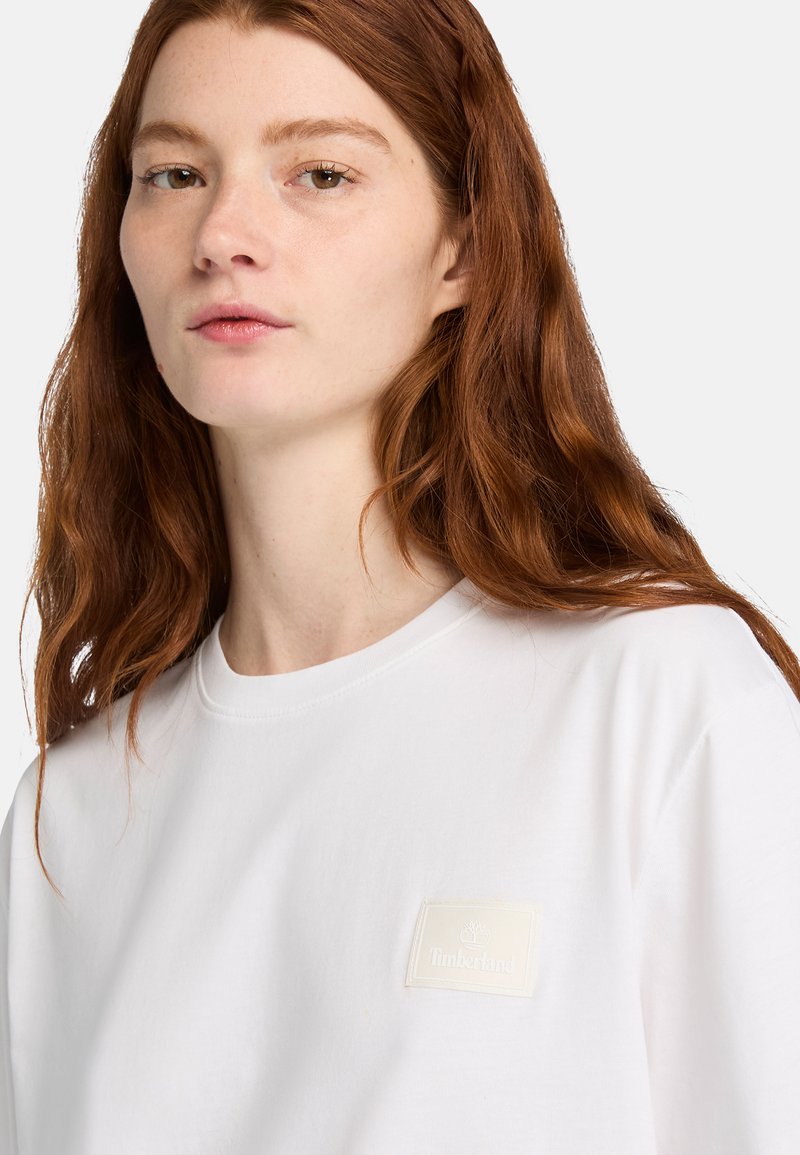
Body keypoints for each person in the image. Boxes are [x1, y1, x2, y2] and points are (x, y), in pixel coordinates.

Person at [1, 0, 798, 1151]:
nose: (222, 233)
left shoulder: (660, 701)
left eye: (319, 174)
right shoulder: (70, 817)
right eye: (173, 174)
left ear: (461, 250)